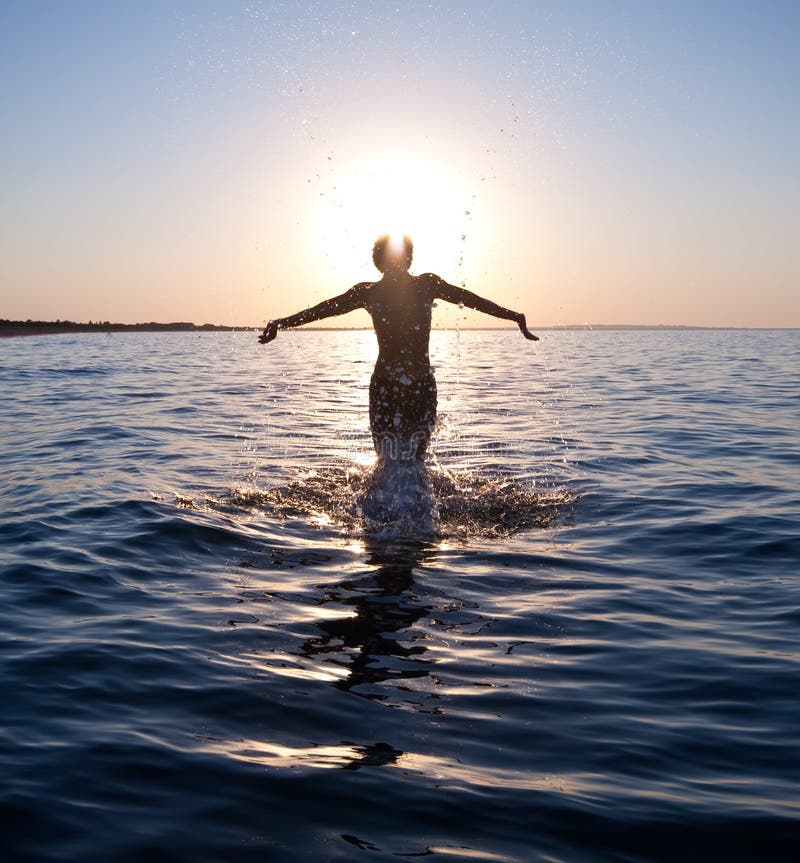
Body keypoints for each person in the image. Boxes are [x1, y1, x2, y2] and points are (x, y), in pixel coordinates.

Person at [259, 234, 538, 461]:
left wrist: (513, 316)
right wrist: (513, 316)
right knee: (413, 462)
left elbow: (469, 298)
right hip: (413, 384)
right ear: (400, 258)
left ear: (379, 260)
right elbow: (323, 310)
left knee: (388, 461)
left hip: (389, 385)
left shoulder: (378, 291)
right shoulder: (417, 286)